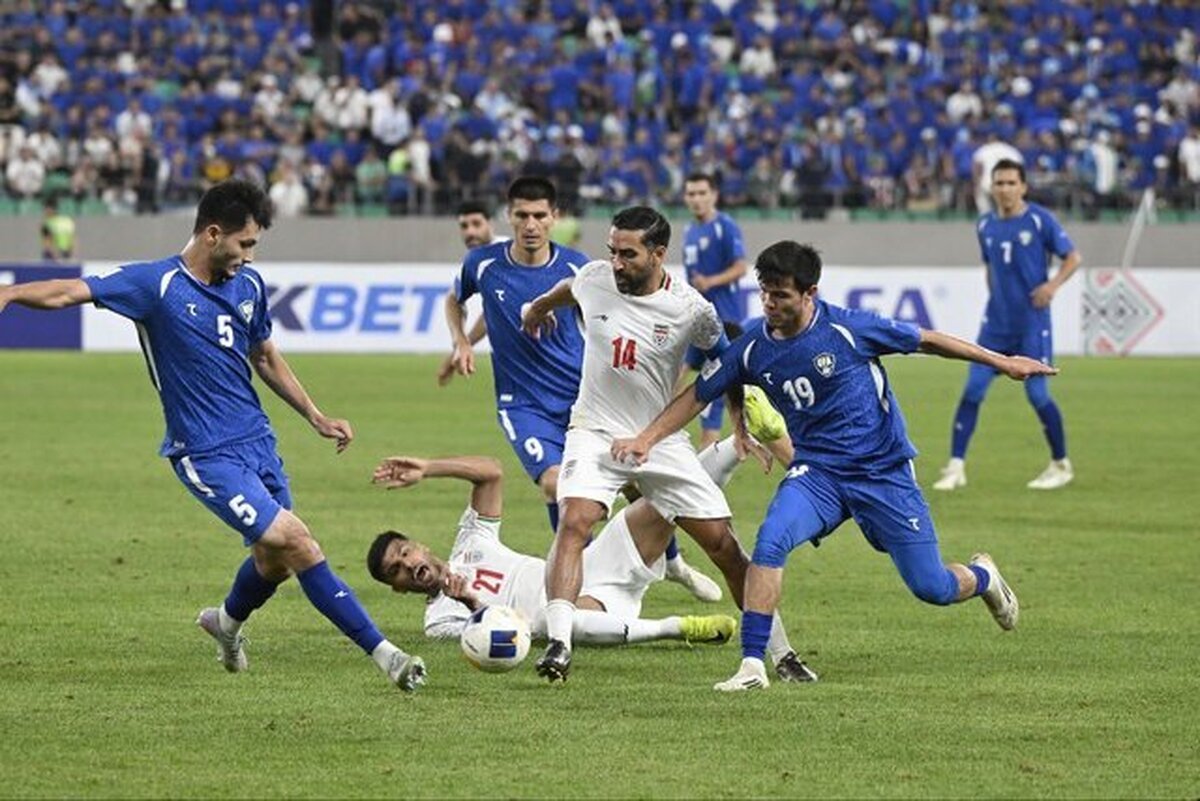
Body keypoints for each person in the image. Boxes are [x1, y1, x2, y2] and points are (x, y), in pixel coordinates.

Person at [0, 180, 426, 693]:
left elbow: (264, 356)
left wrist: (314, 415)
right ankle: (388, 656)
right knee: (297, 542)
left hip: (258, 444)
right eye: (244, 244)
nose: (249, 256)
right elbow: (72, 290)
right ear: (213, 234)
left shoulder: (248, 286)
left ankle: (224, 625)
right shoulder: (155, 284)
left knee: (274, 562)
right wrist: (11, 293)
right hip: (204, 453)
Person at [613, 240, 1051, 691]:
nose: (769, 303)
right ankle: (752, 666)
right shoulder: (753, 347)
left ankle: (983, 577)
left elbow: (929, 340)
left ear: (810, 293)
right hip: (818, 474)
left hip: (882, 472)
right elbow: (698, 395)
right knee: (771, 540)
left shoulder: (848, 328)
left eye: (780, 295)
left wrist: (1002, 362)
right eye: (764, 292)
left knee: (931, 587)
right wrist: (647, 439)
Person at [522, 206, 810, 684]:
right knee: (575, 520)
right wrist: (536, 311)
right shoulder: (593, 278)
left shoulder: (691, 309)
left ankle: (781, 653)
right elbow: (562, 291)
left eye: (628, 254)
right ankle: (558, 644)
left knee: (723, 546)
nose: (616, 262)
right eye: (612, 251)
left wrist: (739, 420)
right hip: (594, 431)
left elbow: (726, 360)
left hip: (660, 439)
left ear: (658, 255)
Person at [443, 179, 720, 608]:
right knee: (558, 487)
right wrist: (462, 341)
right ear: (509, 217)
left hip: (585, 399)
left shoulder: (580, 268)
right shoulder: (481, 263)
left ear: (555, 217)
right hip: (524, 404)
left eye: (539, 216)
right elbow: (455, 301)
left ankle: (674, 563)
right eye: (522, 215)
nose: (531, 225)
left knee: (643, 493)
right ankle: (577, 581)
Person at [365, 442, 759, 646]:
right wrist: (470, 601)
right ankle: (678, 628)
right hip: (568, 614)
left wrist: (429, 468)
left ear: (418, 545)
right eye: (396, 571)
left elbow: (491, 473)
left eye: (404, 553)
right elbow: (503, 637)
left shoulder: (469, 540)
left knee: (666, 498)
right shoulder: (437, 623)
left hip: (588, 567)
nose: (407, 565)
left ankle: (743, 440)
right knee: (559, 622)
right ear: (399, 588)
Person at [933, 159, 1082, 492]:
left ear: (1023, 186)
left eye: (1011, 183)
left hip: (1032, 326)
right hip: (995, 326)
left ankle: (1061, 464)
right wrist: (999, 299)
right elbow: (990, 268)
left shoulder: (1039, 220)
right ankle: (956, 467)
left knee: (1038, 395)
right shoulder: (985, 224)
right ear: (992, 188)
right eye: (999, 183)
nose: (1004, 189)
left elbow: (1073, 258)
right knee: (972, 390)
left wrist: (1052, 286)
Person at [680, 174, 750, 448]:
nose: (696, 199)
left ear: (713, 195)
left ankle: (708, 461)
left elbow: (741, 267)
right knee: (677, 371)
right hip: (698, 319)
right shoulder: (689, 231)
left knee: (715, 398)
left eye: (701, 193)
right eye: (691, 194)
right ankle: (658, 432)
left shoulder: (725, 227)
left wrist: (711, 281)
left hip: (724, 321)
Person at [435, 199, 504, 386]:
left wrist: (463, 346)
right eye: (464, 226)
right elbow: (453, 299)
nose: (470, 232)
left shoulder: (507, 254)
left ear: (490, 223)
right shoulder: (475, 261)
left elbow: (494, 314)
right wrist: (461, 343)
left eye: (476, 224)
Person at [41, 197, 76, 262]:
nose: (44, 211)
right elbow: (72, 239)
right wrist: (72, 254)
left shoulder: (47, 223)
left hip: (54, 255)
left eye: (46, 209)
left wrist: (55, 255)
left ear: (51, 209)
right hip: (63, 253)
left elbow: (47, 241)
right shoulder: (67, 220)